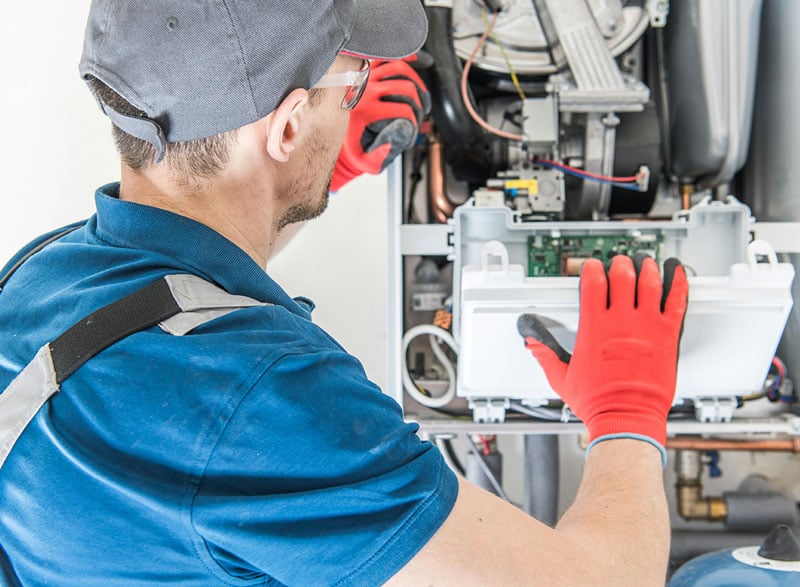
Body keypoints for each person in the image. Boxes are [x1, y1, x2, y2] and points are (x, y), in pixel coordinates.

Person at [0, 0, 688, 585]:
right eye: (352, 85)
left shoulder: (43, 274)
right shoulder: (263, 400)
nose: (357, 101)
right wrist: (629, 411)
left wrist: (316, 169)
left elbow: (184, 290)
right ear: (289, 125)